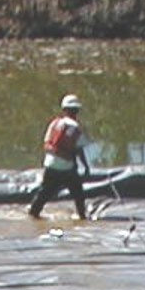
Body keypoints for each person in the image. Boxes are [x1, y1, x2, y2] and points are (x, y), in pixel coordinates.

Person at [28, 93, 90, 221]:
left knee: (44, 193)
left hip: (50, 164)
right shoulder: (76, 128)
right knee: (78, 193)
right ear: (77, 111)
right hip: (67, 167)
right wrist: (86, 166)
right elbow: (79, 150)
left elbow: (47, 143)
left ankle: (33, 213)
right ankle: (82, 216)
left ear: (63, 109)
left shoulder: (54, 123)